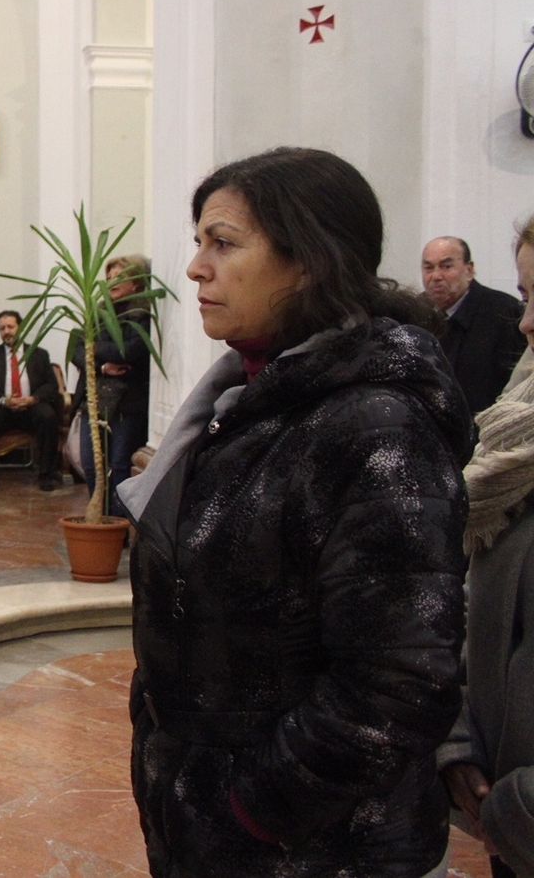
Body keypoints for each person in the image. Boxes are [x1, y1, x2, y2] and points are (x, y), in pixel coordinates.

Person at [118, 148, 471, 877]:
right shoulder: (243, 403)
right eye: (198, 243)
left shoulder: (376, 422)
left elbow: (399, 680)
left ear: (307, 260)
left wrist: (250, 806)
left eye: (223, 242)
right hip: (214, 830)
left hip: (320, 848)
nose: (194, 268)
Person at [438, 216, 534, 878]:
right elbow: (488, 612)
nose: (527, 325)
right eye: (529, 297)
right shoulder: (513, 458)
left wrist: (522, 805)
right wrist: (460, 741)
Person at [70, 254, 152, 495]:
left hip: (128, 403)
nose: (111, 283)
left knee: (119, 464)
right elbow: (76, 351)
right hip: (94, 399)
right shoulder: (95, 314)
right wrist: (102, 366)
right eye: (108, 277)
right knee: (89, 461)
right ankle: (98, 513)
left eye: (119, 277)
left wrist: (93, 349)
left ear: (136, 283)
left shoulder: (142, 316)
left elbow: (127, 351)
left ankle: (117, 522)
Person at [422, 235, 525, 416]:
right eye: (428, 268)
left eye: (447, 266)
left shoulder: (504, 312)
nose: (436, 276)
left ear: (469, 270)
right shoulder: (415, 313)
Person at [0, 310, 61, 491]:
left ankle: (46, 474)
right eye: (2, 328)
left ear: (20, 328)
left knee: (48, 416)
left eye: (10, 327)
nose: (7, 331)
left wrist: (33, 399)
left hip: (31, 407)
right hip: (3, 409)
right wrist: (3, 400)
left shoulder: (39, 354)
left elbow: (51, 385)